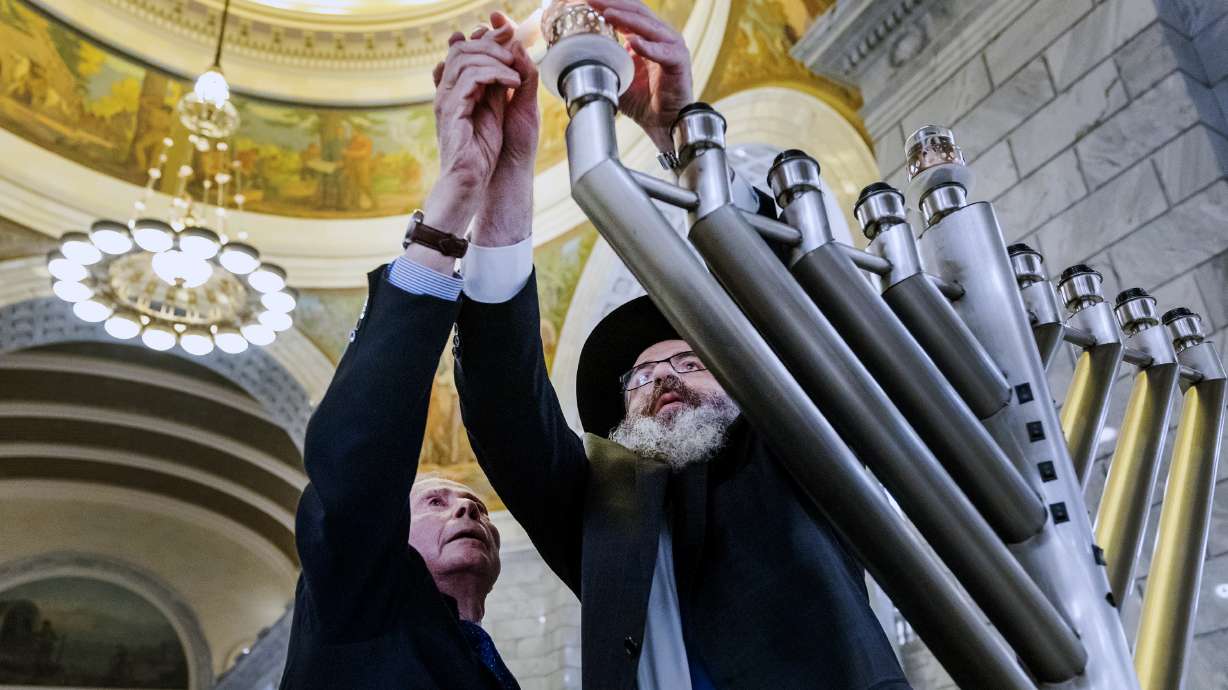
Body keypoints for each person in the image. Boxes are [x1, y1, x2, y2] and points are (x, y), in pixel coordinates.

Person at [446, 1, 912, 688]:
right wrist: (502, 181)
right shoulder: (602, 508)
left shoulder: (797, 447)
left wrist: (682, 138)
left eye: (691, 362)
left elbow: (781, 306)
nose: (662, 378)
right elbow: (503, 404)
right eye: (641, 376)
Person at [278, 19, 533, 690]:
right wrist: (452, 208)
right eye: (439, 503)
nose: (468, 511)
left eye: (472, 508)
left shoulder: (493, 669)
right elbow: (357, 469)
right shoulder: (358, 607)